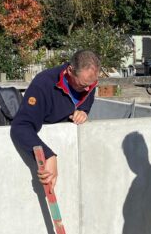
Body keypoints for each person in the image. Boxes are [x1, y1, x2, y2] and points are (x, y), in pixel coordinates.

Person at [11, 50, 100, 190]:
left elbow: (85, 101)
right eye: (83, 85)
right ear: (70, 70)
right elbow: (21, 126)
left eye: (92, 84)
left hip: (71, 157)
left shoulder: (88, 83)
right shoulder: (43, 84)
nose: (88, 89)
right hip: (49, 148)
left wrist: (83, 111)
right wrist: (48, 155)